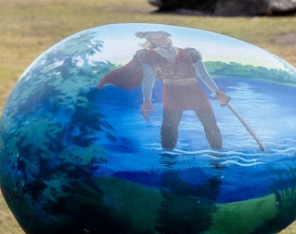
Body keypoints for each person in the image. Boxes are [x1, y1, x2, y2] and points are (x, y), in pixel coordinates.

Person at [98, 30, 229, 151]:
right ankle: (168, 159)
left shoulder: (189, 53)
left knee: (210, 124)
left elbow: (203, 75)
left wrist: (217, 93)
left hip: (194, 92)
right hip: (172, 93)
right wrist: (147, 100)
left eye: (163, 37)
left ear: (167, 38)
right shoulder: (148, 56)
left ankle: (218, 156)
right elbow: (148, 79)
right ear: (151, 41)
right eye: (156, 39)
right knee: (169, 128)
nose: (161, 41)